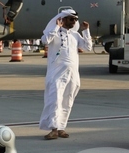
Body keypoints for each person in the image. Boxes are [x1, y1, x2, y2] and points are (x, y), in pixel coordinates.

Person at [38, 9, 92, 139]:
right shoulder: (54, 33)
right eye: (71, 19)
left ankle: (61, 127)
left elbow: (87, 47)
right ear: (63, 19)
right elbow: (45, 41)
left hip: (73, 73)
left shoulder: (75, 35)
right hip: (56, 73)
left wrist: (86, 31)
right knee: (55, 100)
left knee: (68, 101)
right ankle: (54, 128)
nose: (74, 22)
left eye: (75, 19)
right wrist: (56, 26)